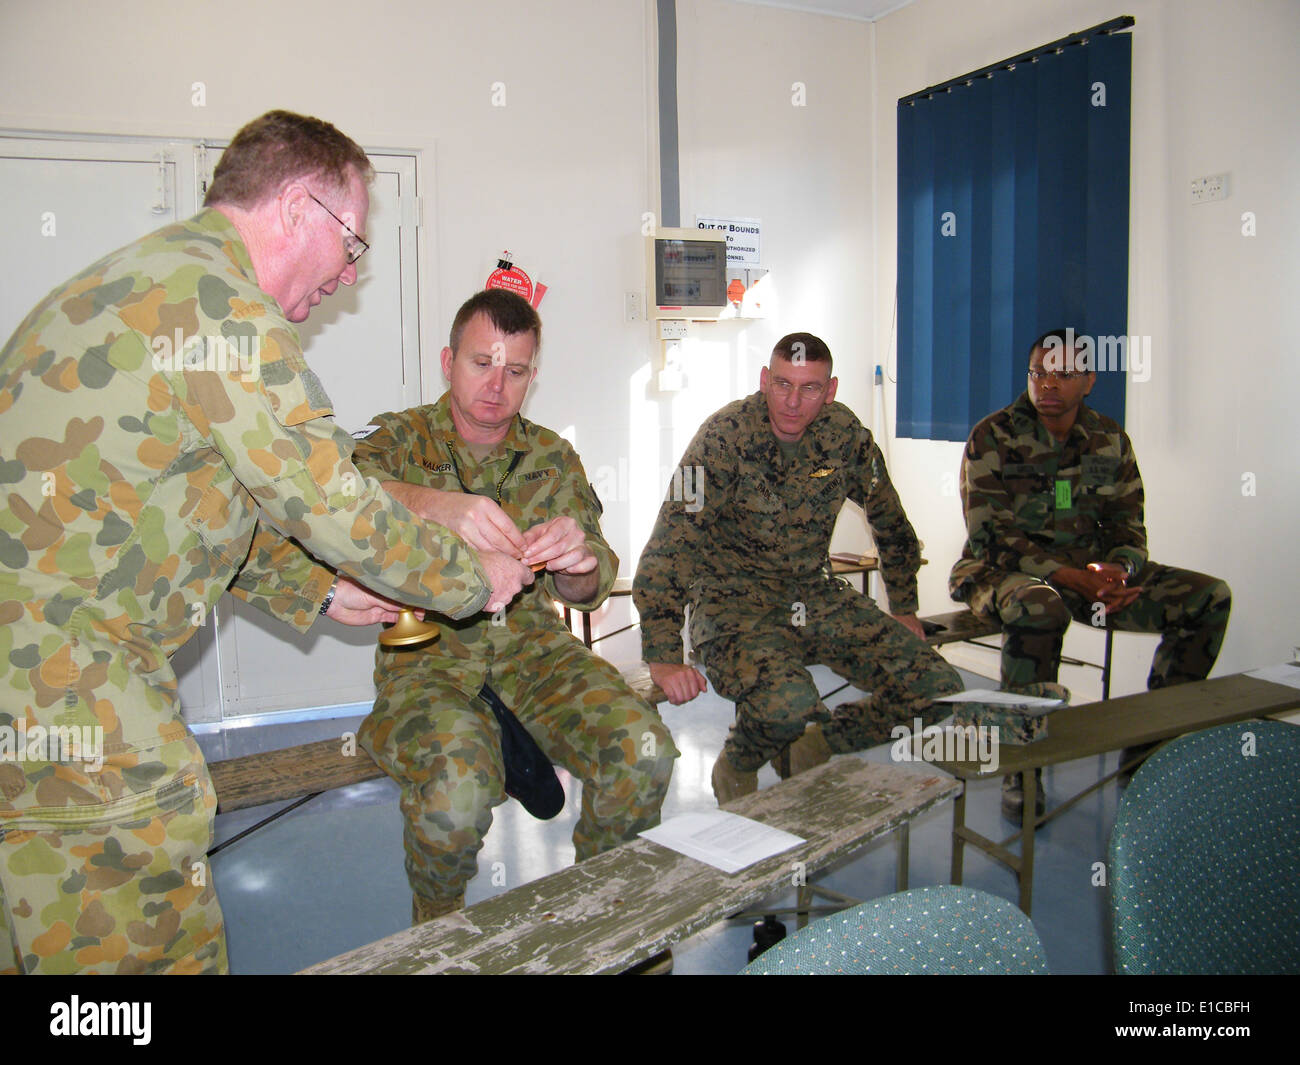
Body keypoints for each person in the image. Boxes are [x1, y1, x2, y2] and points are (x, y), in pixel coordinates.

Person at [0, 111, 531, 974]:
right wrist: (476, 576)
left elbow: (173, 498)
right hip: (74, 699)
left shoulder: (142, 280)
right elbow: (336, 504)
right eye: (351, 242)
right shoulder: (224, 309)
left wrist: (316, 591)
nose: (348, 276)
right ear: (296, 207)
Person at [350, 289, 678, 924]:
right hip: (429, 661)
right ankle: (437, 933)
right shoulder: (396, 439)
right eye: (482, 364)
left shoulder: (553, 457)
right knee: (455, 798)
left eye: (517, 371)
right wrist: (439, 505)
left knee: (644, 752)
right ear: (448, 361)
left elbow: (587, 584)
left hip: (535, 653)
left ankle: (603, 919)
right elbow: (340, 497)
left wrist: (580, 566)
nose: (497, 386)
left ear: (533, 376)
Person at [634, 332, 962, 802]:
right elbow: (672, 543)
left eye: (809, 389)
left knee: (938, 689)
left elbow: (889, 518)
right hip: (732, 602)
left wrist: (905, 607)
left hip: (814, 593)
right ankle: (740, 762)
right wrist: (663, 653)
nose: (792, 402)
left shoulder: (844, 436)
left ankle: (821, 743)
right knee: (786, 705)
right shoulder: (723, 437)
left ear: (829, 391)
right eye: (782, 384)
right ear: (765, 380)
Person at [949, 328, 1231, 814]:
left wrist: (1119, 571)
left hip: (1086, 575)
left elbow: (1128, 523)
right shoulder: (992, 435)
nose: (1048, 385)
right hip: (999, 571)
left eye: (1063, 375)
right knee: (1041, 605)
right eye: (1039, 373)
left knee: (1208, 597)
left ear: (1089, 380)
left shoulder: (1108, 439)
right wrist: (1073, 577)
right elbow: (992, 535)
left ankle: (1152, 748)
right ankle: (1023, 769)